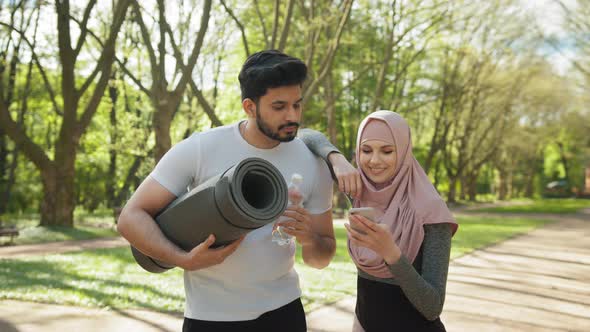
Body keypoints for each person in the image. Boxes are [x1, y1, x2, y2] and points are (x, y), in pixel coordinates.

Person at [117, 50, 335, 332]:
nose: (292, 115)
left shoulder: (312, 163)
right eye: (279, 107)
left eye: (297, 104)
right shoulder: (200, 148)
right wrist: (181, 259)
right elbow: (130, 217)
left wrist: (309, 238)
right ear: (250, 106)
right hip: (211, 318)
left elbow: (322, 257)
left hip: (285, 313)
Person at [299, 111, 458, 331]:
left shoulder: (431, 211)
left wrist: (391, 253)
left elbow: (432, 306)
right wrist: (337, 159)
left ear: (403, 151)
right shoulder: (359, 191)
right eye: (366, 150)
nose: (374, 161)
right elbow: (306, 135)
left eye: (387, 151)